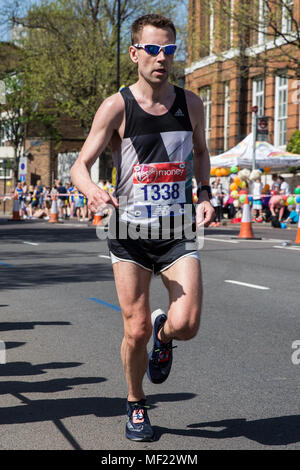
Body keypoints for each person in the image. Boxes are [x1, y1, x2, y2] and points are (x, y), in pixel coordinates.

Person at [70, 13, 215, 442]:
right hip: (130, 232)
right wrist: (94, 191)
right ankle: (136, 404)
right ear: (134, 53)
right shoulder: (117, 107)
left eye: (169, 50)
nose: (161, 58)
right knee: (133, 329)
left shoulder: (191, 103)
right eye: (152, 49)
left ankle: (165, 336)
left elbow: (203, 152)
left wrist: (204, 192)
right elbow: (80, 166)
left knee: (186, 323)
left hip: (176, 230)